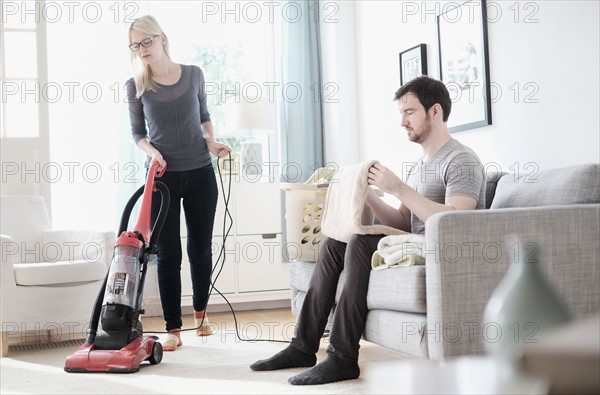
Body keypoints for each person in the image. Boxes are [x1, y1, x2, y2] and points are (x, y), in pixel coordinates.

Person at [250, 76, 486, 385]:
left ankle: (342, 357)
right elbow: (404, 222)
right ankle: (302, 346)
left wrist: (397, 187)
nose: (402, 121)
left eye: (410, 112)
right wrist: (370, 194)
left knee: (362, 241)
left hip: (443, 250)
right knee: (338, 240)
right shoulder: (421, 165)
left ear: (435, 112)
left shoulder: (461, 160)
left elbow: (456, 220)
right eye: (401, 113)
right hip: (415, 242)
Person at [125, 15, 231, 352]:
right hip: (161, 180)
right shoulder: (136, 85)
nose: (141, 49)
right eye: (135, 44)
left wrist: (212, 142)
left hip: (201, 172)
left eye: (146, 41)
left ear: (162, 39)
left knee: (200, 249)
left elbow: (204, 117)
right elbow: (138, 134)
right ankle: (173, 327)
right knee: (168, 253)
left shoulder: (194, 74)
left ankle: (201, 315)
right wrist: (152, 152)